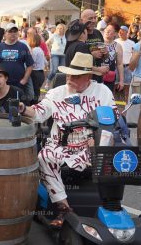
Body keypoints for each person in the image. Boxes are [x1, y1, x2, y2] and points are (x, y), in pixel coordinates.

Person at [20, 52, 115, 227]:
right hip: (60, 144)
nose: (69, 78)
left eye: (75, 76)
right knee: (44, 157)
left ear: (88, 77)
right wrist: (22, 109)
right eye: (69, 74)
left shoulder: (103, 92)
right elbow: (40, 112)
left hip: (91, 145)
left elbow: (113, 118)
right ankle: (63, 208)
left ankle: (111, 207)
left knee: (119, 156)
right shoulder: (57, 92)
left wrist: (100, 136)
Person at [0, 23, 34, 102]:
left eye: (15, 31)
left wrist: (24, 80)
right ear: (5, 33)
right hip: (2, 83)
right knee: (2, 104)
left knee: (17, 105)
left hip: (18, 83)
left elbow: (30, 64)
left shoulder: (23, 47)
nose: (13, 34)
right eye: (10, 31)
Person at [81, 9, 107, 82]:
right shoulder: (79, 35)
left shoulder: (97, 33)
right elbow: (74, 58)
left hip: (98, 77)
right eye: (90, 18)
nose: (93, 21)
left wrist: (105, 52)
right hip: (83, 78)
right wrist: (91, 55)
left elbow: (105, 56)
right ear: (82, 20)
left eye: (95, 18)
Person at [102, 24, 124, 92]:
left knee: (107, 97)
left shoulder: (118, 46)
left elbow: (119, 64)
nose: (107, 32)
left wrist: (121, 81)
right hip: (96, 75)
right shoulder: (98, 43)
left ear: (115, 33)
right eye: (106, 30)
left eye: (110, 31)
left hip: (109, 76)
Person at [27, 33, 46, 103]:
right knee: (37, 90)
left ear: (32, 41)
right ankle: (36, 102)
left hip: (35, 73)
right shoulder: (40, 50)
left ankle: (33, 104)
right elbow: (46, 62)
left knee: (34, 89)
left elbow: (31, 62)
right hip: (41, 73)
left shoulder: (34, 50)